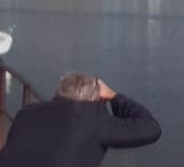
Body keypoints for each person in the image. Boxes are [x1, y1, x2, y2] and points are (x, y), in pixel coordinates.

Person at [0, 71, 161, 167]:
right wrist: (113, 96)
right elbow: (150, 128)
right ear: (94, 100)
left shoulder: (27, 113)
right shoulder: (91, 117)